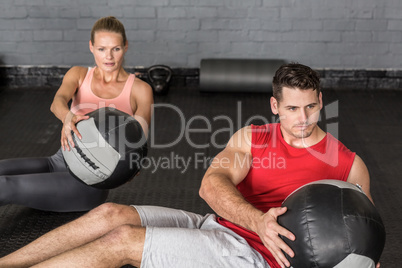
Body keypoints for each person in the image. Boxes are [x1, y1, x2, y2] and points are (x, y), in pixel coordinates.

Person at [0, 63, 378, 268]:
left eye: (311, 106)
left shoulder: (348, 166)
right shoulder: (253, 138)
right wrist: (257, 221)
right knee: (110, 214)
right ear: (275, 106)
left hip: (257, 257)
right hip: (222, 226)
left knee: (122, 242)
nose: (303, 118)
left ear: (321, 101)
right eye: (293, 108)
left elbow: (362, 231)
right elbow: (211, 184)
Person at [0, 16, 153, 212]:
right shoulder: (79, 74)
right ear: (91, 47)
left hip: (88, 182)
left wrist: (132, 164)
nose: (109, 57)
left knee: (5, 185)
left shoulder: (140, 90)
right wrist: (67, 117)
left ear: (125, 46)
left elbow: (139, 140)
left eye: (115, 48)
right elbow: (57, 103)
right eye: (101, 49)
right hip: (58, 160)